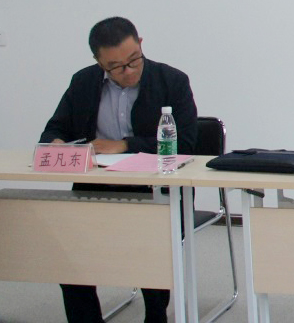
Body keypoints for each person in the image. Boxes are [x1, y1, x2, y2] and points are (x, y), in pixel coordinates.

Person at [39, 17, 198, 323]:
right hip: (94, 188)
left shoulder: (172, 81)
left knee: (149, 248)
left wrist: (124, 145)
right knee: (68, 253)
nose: (128, 71)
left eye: (134, 60)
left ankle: (156, 315)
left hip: (155, 190)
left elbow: (187, 144)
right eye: (115, 66)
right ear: (99, 62)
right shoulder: (83, 82)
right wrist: (57, 142)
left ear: (141, 44)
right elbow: (54, 129)